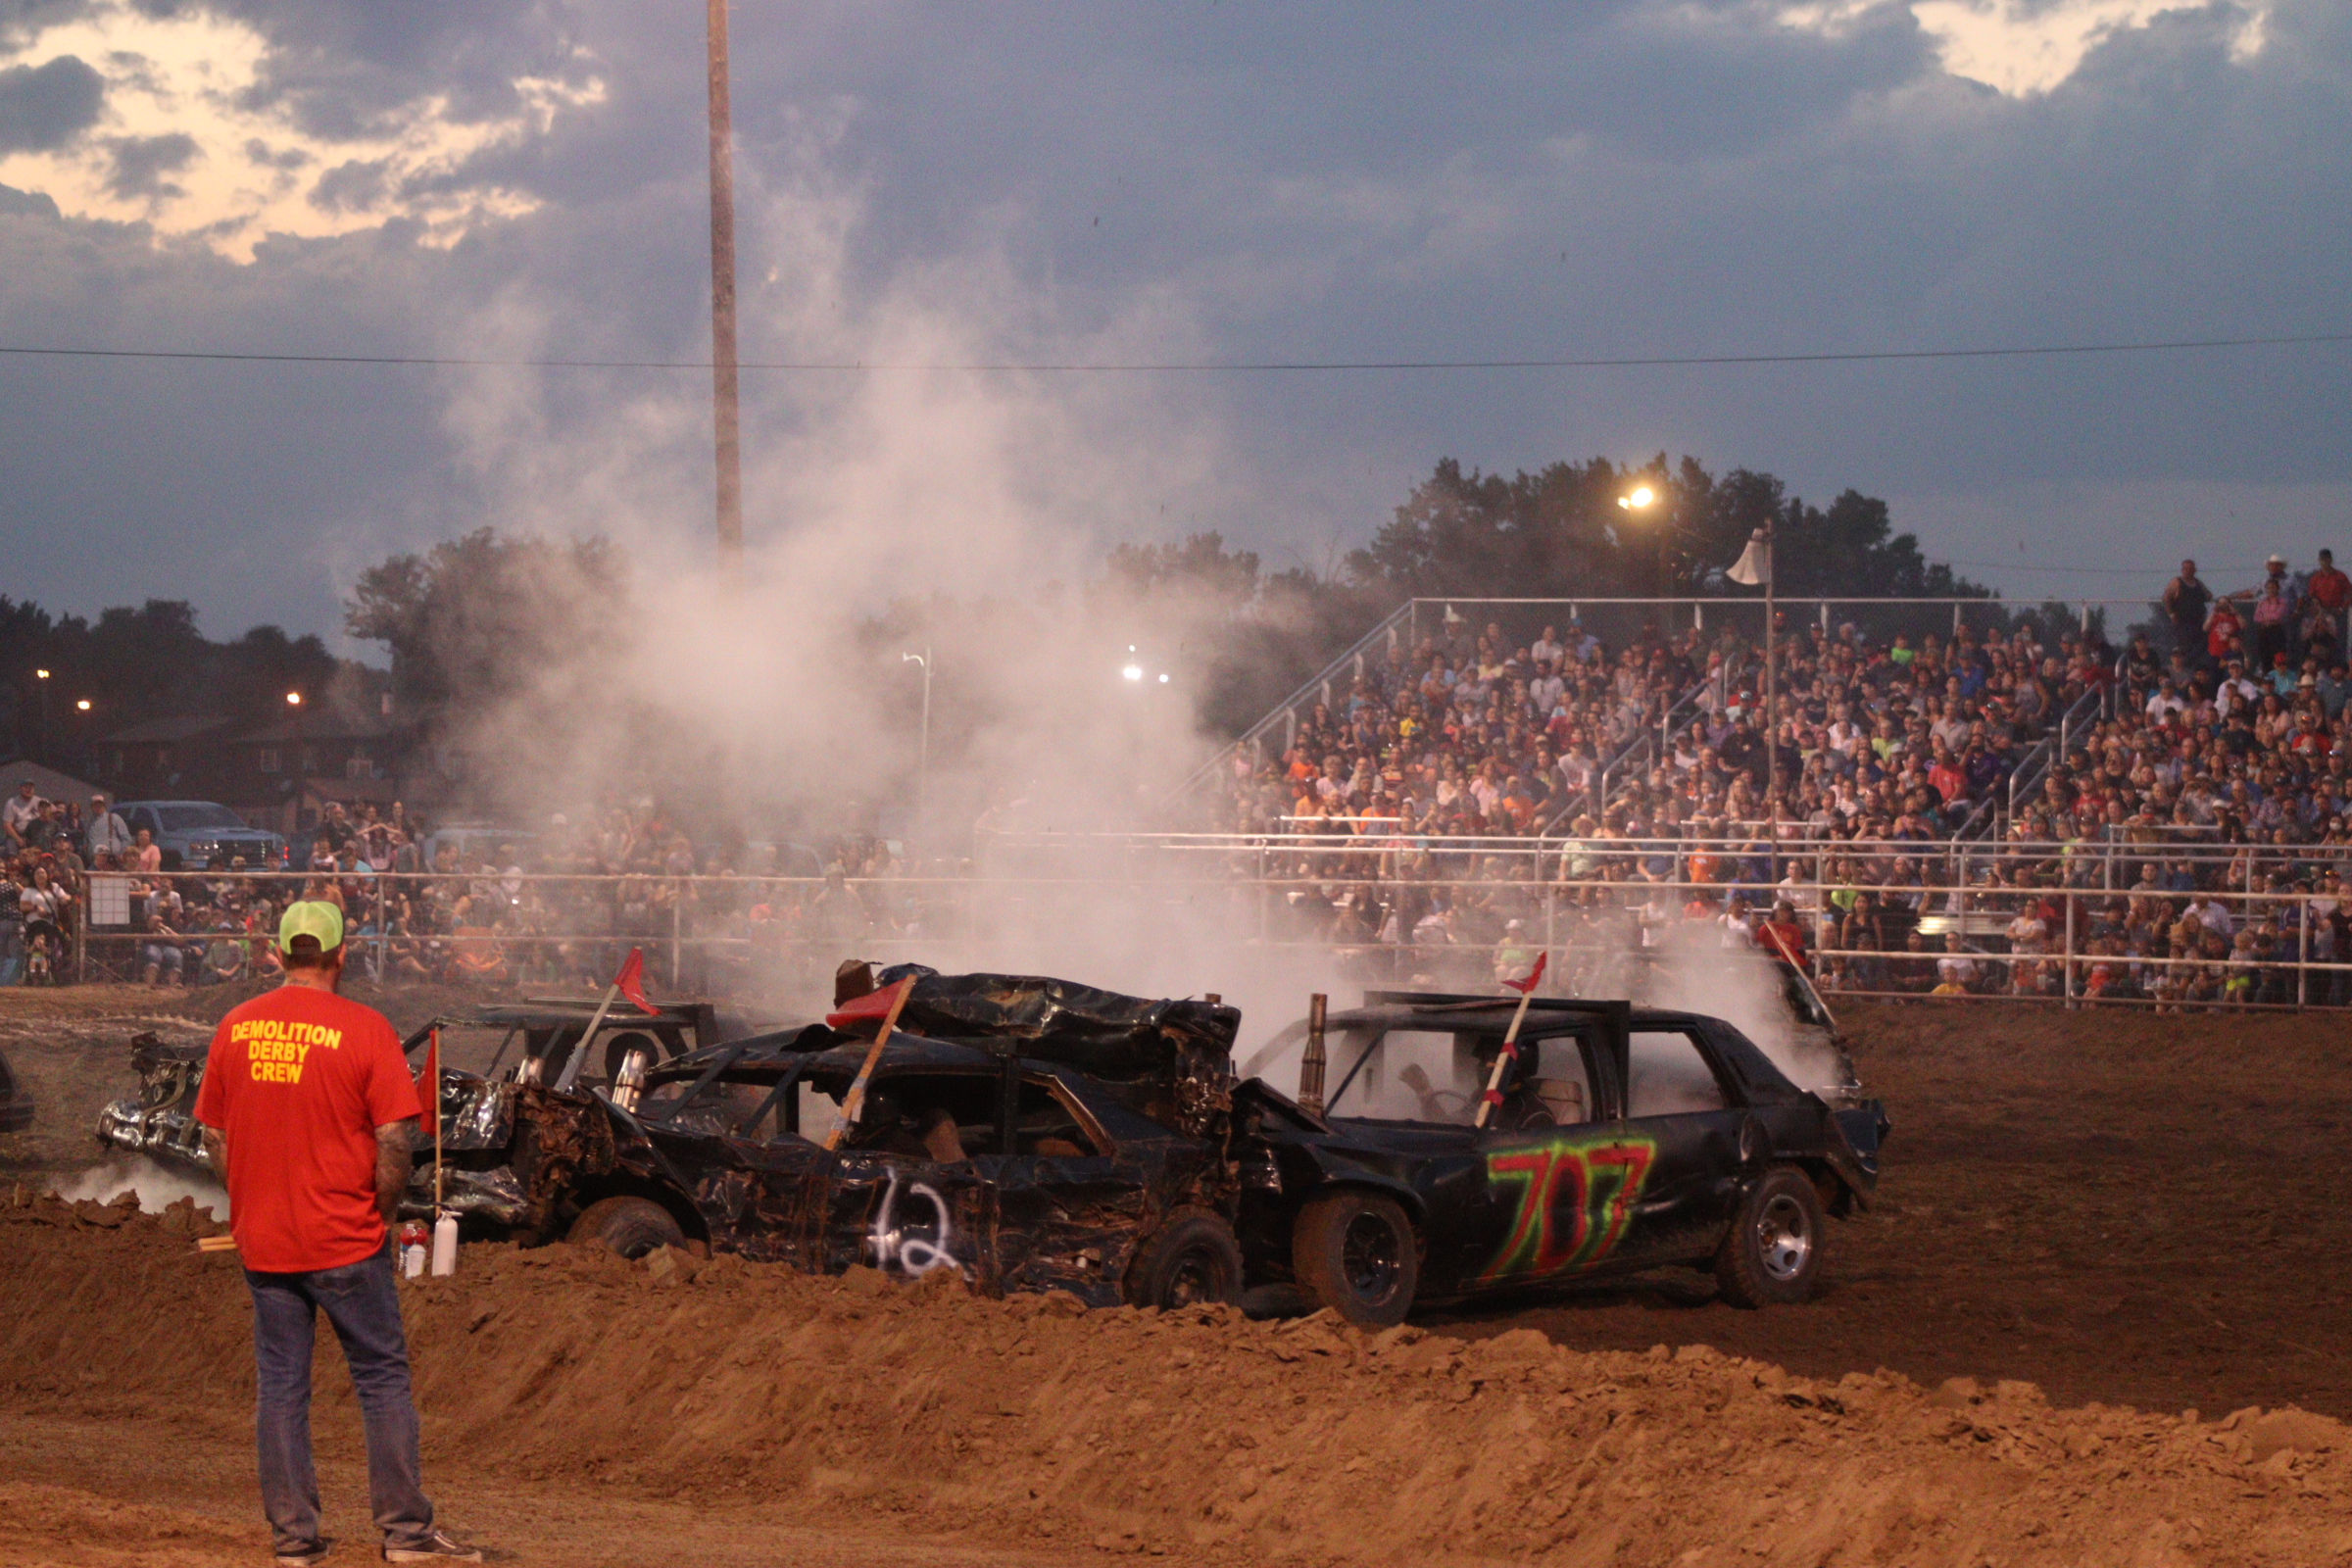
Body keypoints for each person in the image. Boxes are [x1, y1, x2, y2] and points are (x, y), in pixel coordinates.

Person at [194, 901, 484, 1566]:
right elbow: (396, 1138)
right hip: (346, 1238)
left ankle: (295, 1541)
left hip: (265, 1240)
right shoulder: (365, 1029)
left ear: (276, 952)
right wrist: (380, 1212)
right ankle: (406, 1534)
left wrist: (248, 1200)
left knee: (281, 1385)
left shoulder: (236, 1026)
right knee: (381, 1378)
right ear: (340, 954)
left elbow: (214, 1132)